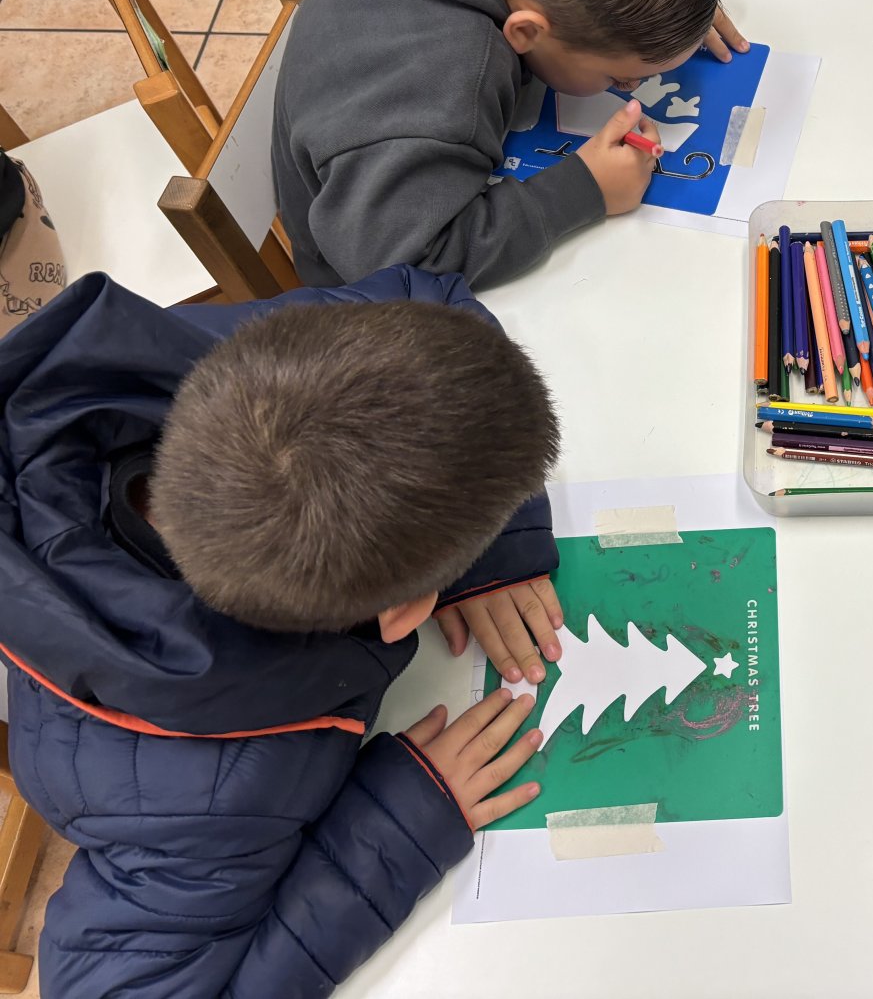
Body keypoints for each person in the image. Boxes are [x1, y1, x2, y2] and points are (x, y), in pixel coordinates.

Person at [0, 267, 575, 997]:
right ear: (404, 613)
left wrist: (498, 551)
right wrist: (396, 826)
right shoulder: (196, 814)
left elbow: (431, 301)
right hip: (148, 768)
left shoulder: (235, 373)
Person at [275, 0, 748, 290]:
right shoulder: (446, 80)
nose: (629, 90)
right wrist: (584, 190)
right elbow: (402, 267)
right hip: (356, 288)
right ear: (526, 32)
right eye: (620, 77)